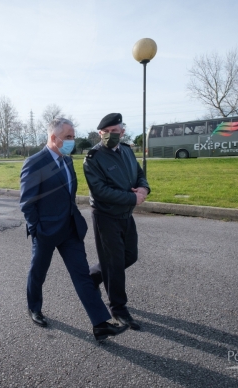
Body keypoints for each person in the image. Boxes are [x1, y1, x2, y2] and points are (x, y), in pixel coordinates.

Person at [20, 117, 128, 341]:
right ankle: (34, 307)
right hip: (46, 231)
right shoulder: (35, 162)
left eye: (73, 136)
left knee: (82, 276)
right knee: (38, 272)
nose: (72, 141)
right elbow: (27, 202)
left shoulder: (67, 161)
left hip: (70, 229)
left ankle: (100, 324)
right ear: (53, 137)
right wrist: (37, 228)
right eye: (67, 137)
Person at [83, 113, 151, 331]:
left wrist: (143, 189)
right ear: (100, 133)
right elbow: (100, 191)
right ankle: (118, 309)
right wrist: (133, 198)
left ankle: (92, 277)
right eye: (107, 132)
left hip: (126, 214)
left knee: (130, 256)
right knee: (114, 264)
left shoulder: (128, 151)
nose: (113, 135)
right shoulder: (93, 158)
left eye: (117, 131)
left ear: (123, 132)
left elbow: (139, 174)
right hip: (106, 215)